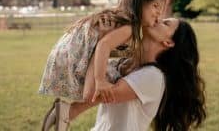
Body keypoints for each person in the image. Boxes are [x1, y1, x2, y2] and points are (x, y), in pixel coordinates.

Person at [39, 0, 166, 131]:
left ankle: (65, 113)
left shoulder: (124, 20)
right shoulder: (130, 27)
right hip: (73, 53)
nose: (159, 13)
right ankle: (65, 113)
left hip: (65, 51)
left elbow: (108, 46)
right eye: (155, 6)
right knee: (95, 91)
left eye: (161, 9)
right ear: (139, 3)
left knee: (112, 74)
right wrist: (100, 80)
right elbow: (103, 45)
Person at [43, 18, 206, 131]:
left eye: (165, 23)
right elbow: (87, 77)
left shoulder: (154, 77)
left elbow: (101, 93)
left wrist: (101, 44)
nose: (157, 19)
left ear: (168, 42)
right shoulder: (126, 62)